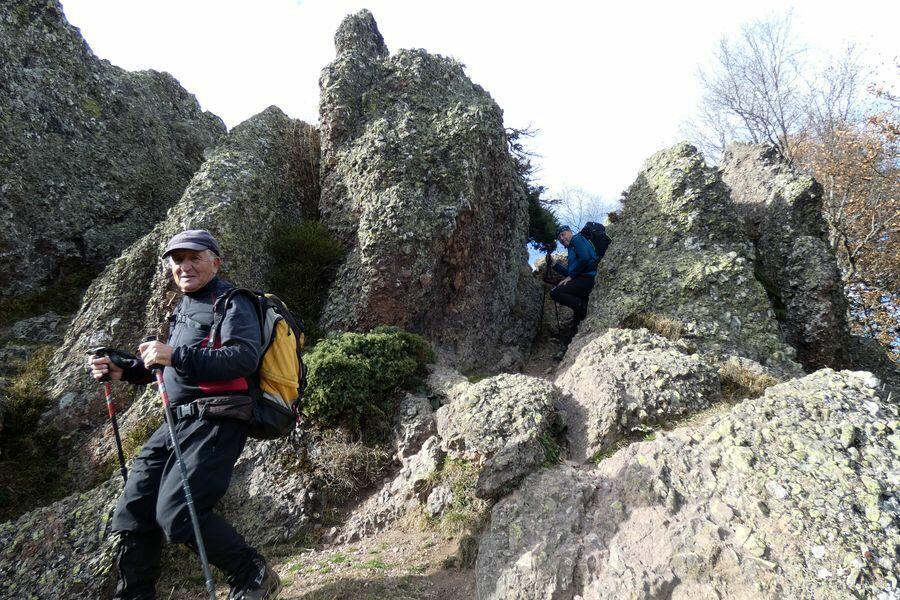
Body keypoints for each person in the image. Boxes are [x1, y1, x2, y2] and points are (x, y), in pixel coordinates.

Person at [89, 229, 281, 600]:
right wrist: (124, 370)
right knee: (133, 508)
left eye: (195, 257)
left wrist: (174, 355)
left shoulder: (232, 302)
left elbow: (242, 358)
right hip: (177, 421)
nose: (185, 266)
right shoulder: (184, 308)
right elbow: (172, 366)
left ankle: (253, 574)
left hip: (217, 419)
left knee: (179, 512)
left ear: (215, 263)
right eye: (178, 260)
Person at [549, 225, 598, 328]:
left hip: (588, 278)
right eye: (559, 238)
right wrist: (555, 265)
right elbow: (570, 272)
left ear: (570, 232)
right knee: (577, 323)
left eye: (563, 235)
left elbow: (585, 258)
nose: (562, 239)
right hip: (583, 280)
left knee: (555, 292)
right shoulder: (571, 249)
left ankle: (585, 308)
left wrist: (571, 276)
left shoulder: (576, 239)